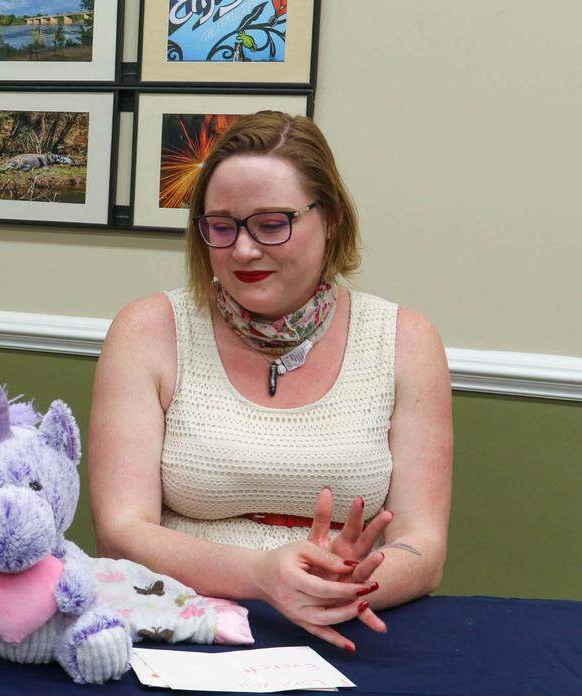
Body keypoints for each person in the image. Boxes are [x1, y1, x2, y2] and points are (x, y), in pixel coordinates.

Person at [89, 111, 452, 653]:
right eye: (221, 225)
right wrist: (261, 574)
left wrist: (342, 588)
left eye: (271, 223)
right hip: (181, 627)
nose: (242, 250)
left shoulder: (406, 340)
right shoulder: (147, 331)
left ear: (330, 219)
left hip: (343, 630)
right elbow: (122, 529)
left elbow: (422, 547)